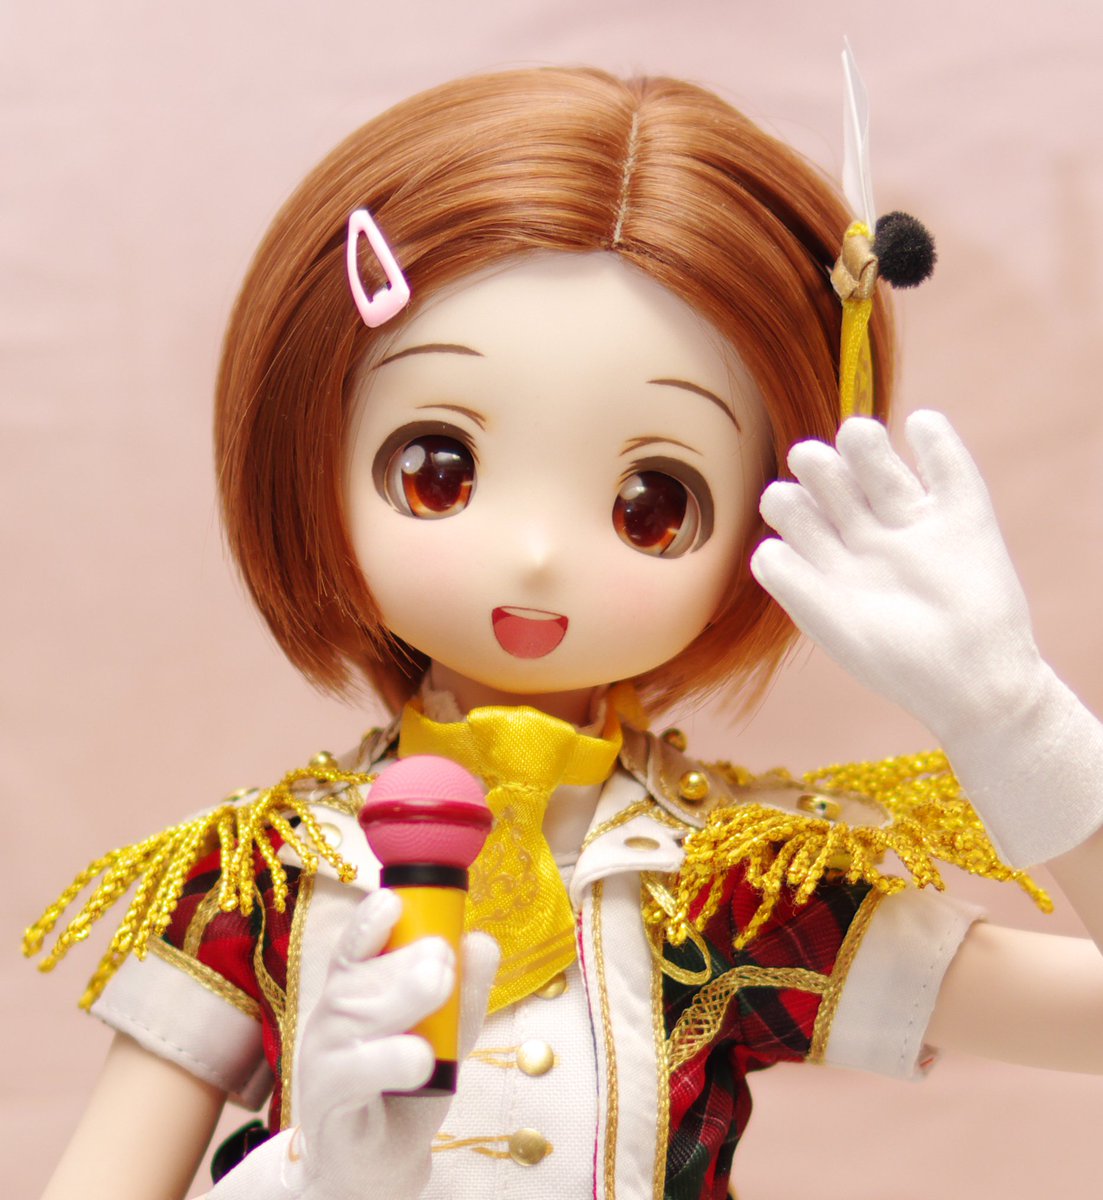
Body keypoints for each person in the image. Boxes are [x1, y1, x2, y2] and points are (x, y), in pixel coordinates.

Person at [27, 67, 1103, 1200]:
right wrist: (313, 1177)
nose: (537, 554)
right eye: (438, 470)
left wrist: (1015, 719)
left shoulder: (730, 888)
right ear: (313, 450)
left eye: (652, 505)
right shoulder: (264, 882)